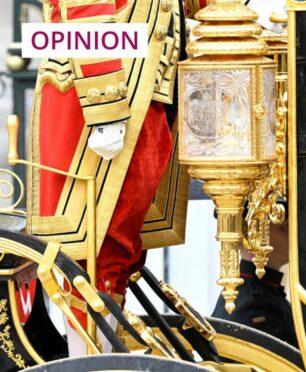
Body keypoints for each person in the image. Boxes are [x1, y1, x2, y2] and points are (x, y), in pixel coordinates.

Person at [29, 0, 203, 355]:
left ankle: (101, 353)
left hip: (147, 85)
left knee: (122, 247)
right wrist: (104, 103)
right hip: (105, 89)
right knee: (93, 247)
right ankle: (89, 358)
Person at [211, 219, 297, 348]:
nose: (293, 235)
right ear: (254, 237)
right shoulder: (255, 304)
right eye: (284, 228)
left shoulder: (259, 290)